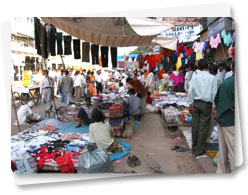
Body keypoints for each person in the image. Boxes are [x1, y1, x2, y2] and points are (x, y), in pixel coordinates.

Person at [187, 59, 217, 158]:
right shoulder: (212, 78)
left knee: (195, 125)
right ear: (208, 66)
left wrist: (190, 103)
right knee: (203, 127)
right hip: (206, 104)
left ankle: (194, 147)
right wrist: (214, 107)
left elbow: (190, 90)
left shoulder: (195, 76)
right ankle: (199, 150)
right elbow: (214, 94)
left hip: (196, 103)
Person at [215, 63, 235, 173]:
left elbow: (216, 99)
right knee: (234, 152)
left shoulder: (226, 82)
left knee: (222, 152)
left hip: (221, 119)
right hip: (231, 121)